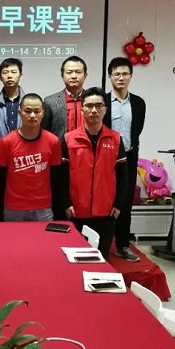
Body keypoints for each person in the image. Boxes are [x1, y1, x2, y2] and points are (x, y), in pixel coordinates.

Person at [57, 87, 127, 260]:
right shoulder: (68, 139)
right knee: (76, 258)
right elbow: (61, 176)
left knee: (102, 258)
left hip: (106, 211)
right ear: (82, 110)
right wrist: (66, 203)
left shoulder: (115, 139)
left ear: (105, 109)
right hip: (76, 211)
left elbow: (123, 177)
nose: (94, 110)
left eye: (98, 105)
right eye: (89, 106)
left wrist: (118, 204)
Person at [104, 57, 146, 262]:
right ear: (110, 76)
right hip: (105, 158)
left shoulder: (138, 103)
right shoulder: (102, 102)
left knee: (125, 201)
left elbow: (137, 131)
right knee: (103, 200)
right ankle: (102, 243)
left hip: (128, 157)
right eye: (117, 74)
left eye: (125, 74)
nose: (121, 78)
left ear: (131, 76)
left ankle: (122, 244)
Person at [0, 93, 61, 222]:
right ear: (20, 113)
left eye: (37, 111)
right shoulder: (6, 142)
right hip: (14, 208)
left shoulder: (53, 141)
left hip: (43, 208)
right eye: (28, 111)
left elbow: (56, 178)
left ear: (43, 113)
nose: (32, 115)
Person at [42, 55, 88, 139]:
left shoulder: (93, 101)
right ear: (62, 76)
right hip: (60, 147)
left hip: (87, 146)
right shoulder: (50, 102)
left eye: (78, 72)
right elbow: (44, 132)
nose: (74, 76)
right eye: (69, 72)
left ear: (85, 75)